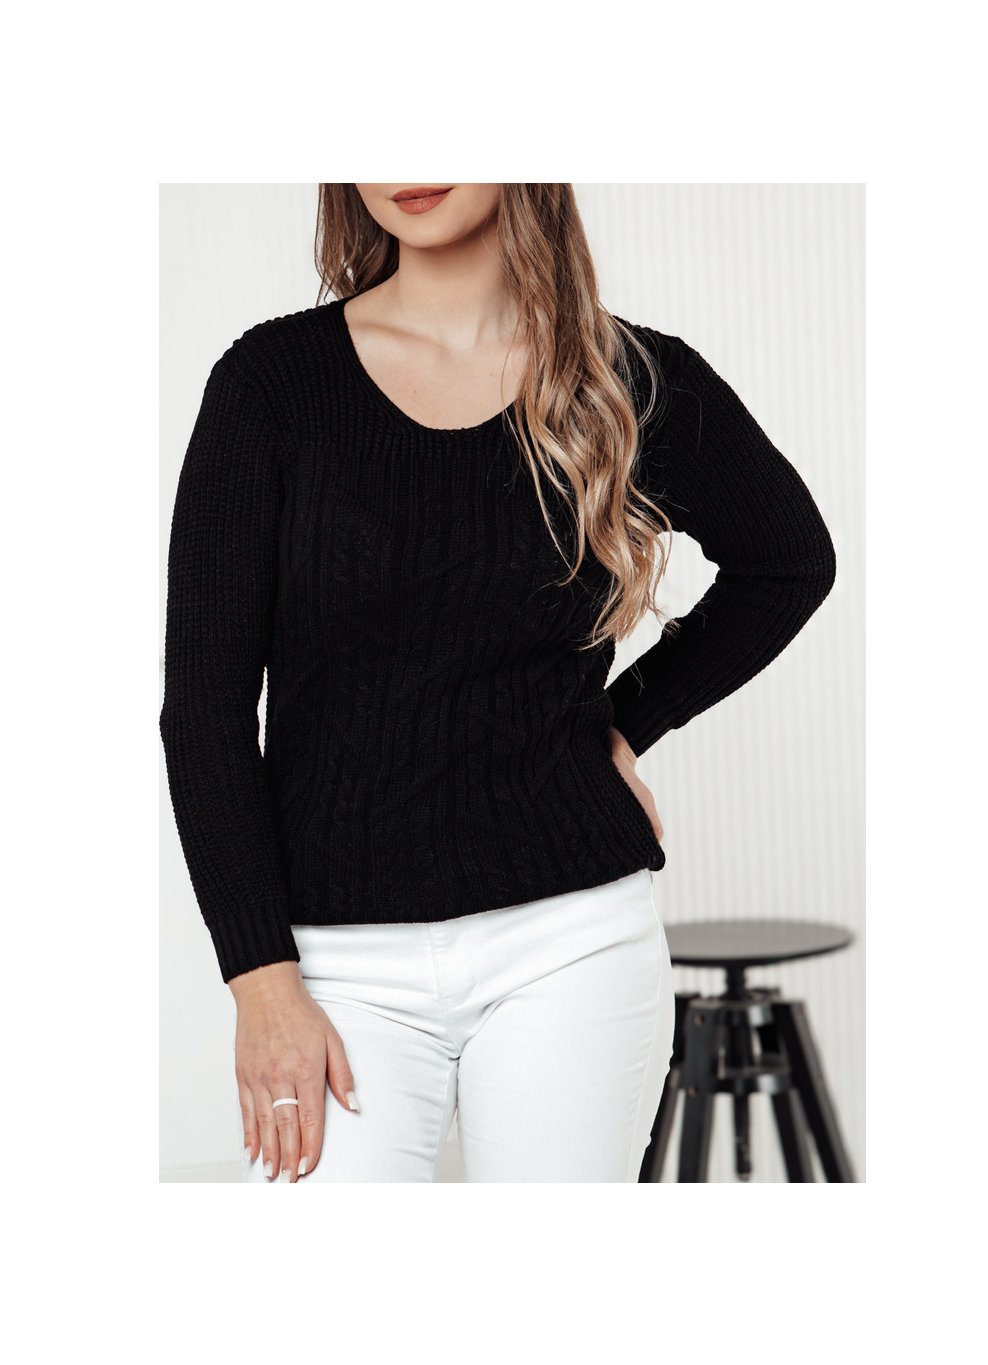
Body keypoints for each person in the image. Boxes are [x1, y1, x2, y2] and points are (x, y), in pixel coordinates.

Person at [159, 183, 836, 1183]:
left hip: (571, 945)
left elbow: (789, 561)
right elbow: (205, 712)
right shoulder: (272, 385)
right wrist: (260, 985)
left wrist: (625, 724)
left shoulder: (623, 378)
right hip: (335, 968)